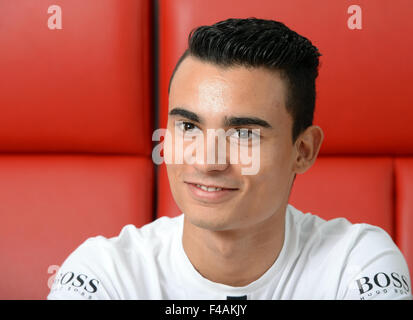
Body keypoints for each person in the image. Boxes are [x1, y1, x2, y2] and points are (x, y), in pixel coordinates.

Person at [47, 17, 412, 300]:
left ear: (302, 151)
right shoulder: (104, 273)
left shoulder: (357, 264)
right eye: (189, 126)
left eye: (244, 134)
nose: (207, 162)